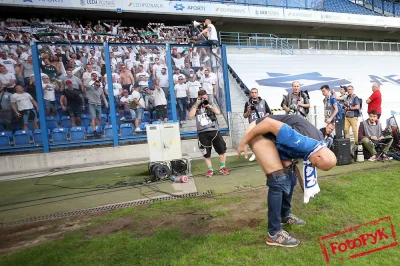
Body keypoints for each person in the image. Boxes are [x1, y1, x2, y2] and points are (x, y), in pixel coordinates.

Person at [237, 115, 337, 247]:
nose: (314, 167)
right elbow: (268, 123)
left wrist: (303, 185)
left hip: (275, 138)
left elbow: (297, 165)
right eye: (317, 165)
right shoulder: (301, 140)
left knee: (290, 176)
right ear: (319, 155)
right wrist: (243, 141)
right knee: (278, 179)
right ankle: (273, 233)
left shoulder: (317, 146)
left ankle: (284, 215)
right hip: (259, 130)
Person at [188, 90, 229, 177]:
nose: (204, 99)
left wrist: (208, 106)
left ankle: (222, 167)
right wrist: (196, 104)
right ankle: (210, 170)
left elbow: (218, 112)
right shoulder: (195, 106)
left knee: (221, 149)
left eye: (205, 97)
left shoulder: (211, 103)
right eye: (202, 98)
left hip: (214, 130)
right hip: (202, 132)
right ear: (198, 97)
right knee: (206, 153)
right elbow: (190, 116)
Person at [243, 88, 272, 161]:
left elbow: (269, 112)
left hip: (262, 124)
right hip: (253, 125)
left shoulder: (263, 102)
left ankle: (265, 154)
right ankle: (255, 153)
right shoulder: (247, 103)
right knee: (253, 140)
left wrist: (265, 117)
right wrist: (248, 111)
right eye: (252, 92)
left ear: (258, 93)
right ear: (250, 94)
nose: (254, 94)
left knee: (265, 139)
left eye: (255, 92)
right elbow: (245, 115)